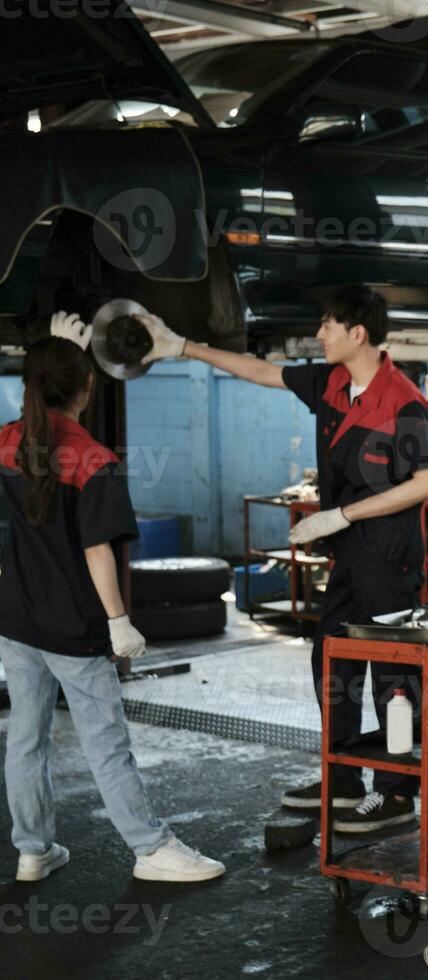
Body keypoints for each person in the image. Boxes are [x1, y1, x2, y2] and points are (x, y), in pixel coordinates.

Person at [140, 284, 428, 833]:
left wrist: (342, 515)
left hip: (389, 562)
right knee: (331, 663)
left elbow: (426, 481)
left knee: (394, 679)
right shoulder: (330, 383)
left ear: (358, 334)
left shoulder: (404, 402)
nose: (318, 334)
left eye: (328, 325)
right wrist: (182, 346)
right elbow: (260, 371)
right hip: (348, 561)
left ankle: (397, 794)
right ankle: (345, 781)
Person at [0, 325, 224, 882]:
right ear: (88, 387)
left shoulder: (6, 441)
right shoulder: (92, 459)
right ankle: (151, 848)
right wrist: (119, 622)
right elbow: (97, 550)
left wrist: (53, 349)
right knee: (106, 743)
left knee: (26, 738)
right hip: (73, 627)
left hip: (16, 620)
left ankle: (33, 849)